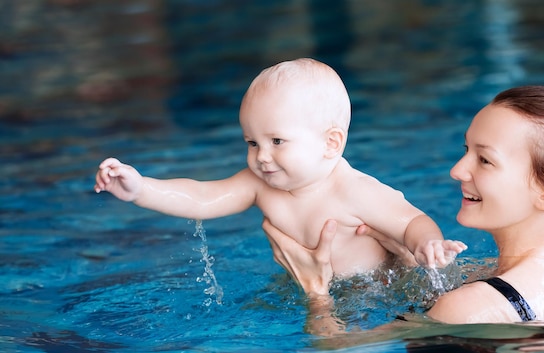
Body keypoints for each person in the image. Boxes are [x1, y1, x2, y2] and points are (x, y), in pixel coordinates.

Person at [263, 85, 544, 327]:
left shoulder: (470, 308)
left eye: (485, 161)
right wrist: (407, 261)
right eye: (466, 150)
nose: (457, 171)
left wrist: (316, 293)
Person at [94, 58, 466, 278]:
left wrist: (427, 245)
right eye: (252, 143)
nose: (262, 157)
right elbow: (203, 198)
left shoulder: (353, 190)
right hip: (315, 291)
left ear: (330, 143)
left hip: (381, 292)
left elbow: (410, 221)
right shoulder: (260, 184)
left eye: (277, 141)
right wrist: (140, 189)